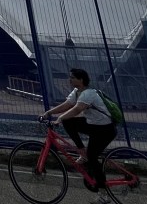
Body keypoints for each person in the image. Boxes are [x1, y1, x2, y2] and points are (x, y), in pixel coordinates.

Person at [40, 68, 117, 202]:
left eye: (72, 77)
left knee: (93, 157)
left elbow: (77, 109)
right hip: (94, 126)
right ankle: (82, 153)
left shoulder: (89, 93)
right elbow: (67, 105)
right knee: (69, 122)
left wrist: (60, 118)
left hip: (105, 130)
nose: (69, 80)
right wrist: (49, 113)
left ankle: (104, 194)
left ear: (81, 79)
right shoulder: (76, 92)